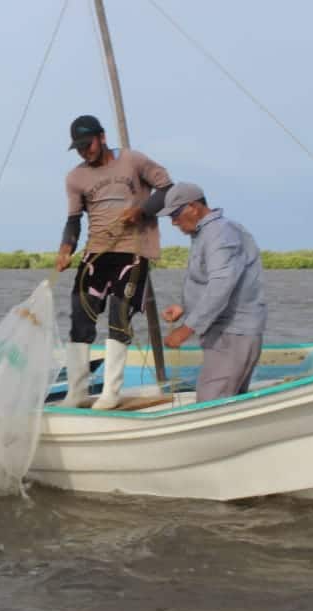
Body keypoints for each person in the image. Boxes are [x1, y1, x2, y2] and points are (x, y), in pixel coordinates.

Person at [55, 114, 173, 410]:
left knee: (119, 317)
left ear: (102, 137)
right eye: (79, 147)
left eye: (88, 144)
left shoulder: (133, 161)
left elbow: (167, 188)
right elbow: (73, 221)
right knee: (80, 319)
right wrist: (66, 248)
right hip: (96, 253)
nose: (85, 151)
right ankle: (77, 392)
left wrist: (142, 210)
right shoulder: (75, 178)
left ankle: (111, 393)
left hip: (132, 250)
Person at [158, 182, 266, 402]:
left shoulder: (219, 233)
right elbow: (211, 281)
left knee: (211, 402)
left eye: (176, 214)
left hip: (233, 332)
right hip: (225, 334)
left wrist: (186, 329)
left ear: (193, 207)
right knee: (227, 401)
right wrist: (184, 308)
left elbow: (221, 284)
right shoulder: (205, 234)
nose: (174, 222)